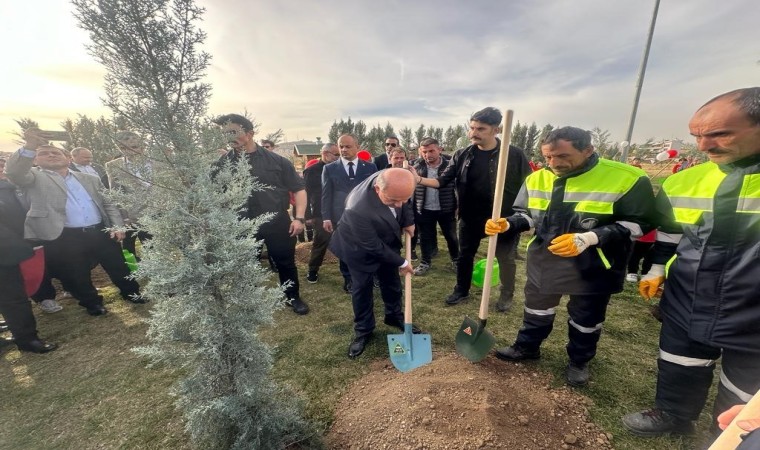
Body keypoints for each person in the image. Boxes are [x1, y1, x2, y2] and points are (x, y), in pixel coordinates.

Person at [622, 87, 760, 437]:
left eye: (719, 134)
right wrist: (655, 269)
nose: (703, 145)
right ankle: (673, 413)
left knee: (747, 385)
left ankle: (731, 436)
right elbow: (670, 233)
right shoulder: (684, 181)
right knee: (679, 359)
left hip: (752, 307)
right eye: (697, 135)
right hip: (689, 293)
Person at [489, 126, 656, 387]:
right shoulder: (537, 179)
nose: (554, 164)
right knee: (536, 308)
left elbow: (641, 223)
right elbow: (526, 215)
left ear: (587, 150)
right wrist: (508, 224)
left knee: (586, 317)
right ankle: (527, 347)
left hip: (594, 264)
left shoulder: (627, 178)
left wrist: (589, 238)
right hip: (546, 259)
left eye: (563, 156)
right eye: (548, 157)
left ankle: (579, 360)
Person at [6, 130, 145, 316]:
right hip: (65, 235)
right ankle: (92, 303)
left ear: (68, 159)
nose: (51, 155)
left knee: (118, 265)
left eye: (56, 152)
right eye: (44, 153)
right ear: (35, 161)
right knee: (76, 272)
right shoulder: (33, 178)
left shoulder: (90, 178)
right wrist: (30, 147)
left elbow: (108, 203)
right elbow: (14, 172)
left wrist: (117, 225)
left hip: (100, 230)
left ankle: (132, 293)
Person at [412, 107, 531, 312]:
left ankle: (506, 295)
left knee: (506, 258)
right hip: (470, 216)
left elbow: (528, 184)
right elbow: (442, 181)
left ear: (496, 129)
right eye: (472, 128)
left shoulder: (513, 154)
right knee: (465, 255)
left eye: (480, 129)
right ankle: (461, 289)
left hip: (503, 218)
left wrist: (524, 216)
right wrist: (418, 179)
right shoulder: (463, 154)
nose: (473, 133)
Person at [213, 114, 309, 315]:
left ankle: (292, 297)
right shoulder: (222, 164)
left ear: (249, 133)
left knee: (285, 262)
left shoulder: (277, 161)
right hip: (241, 224)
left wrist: (299, 218)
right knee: (244, 264)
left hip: (276, 221)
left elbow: (299, 189)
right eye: (225, 134)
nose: (229, 137)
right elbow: (212, 194)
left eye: (233, 132)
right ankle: (249, 302)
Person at [329, 168, 417, 358]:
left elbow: (404, 202)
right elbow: (372, 246)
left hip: (385, 240)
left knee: (391, 282)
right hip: (358, 248)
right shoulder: (357, 208)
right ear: (378, 189)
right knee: (362, 288)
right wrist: (402, 262)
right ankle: (364, 330)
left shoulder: (398, 179)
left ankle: (394, 316)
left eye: (403, 199)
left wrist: (408, 220)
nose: (399, 204)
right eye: (393, 201)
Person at [0, 158, 57, 353]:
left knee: (13, 299)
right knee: (13, 300)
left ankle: (25, 337)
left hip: (11, 252)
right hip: (6, 254)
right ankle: (26, 339)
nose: (3, 170)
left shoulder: (9, 189)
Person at [321, 134, 377, 293]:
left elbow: (374, 192)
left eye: (348, 146)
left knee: (366, 245)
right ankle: (348, 278)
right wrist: (326, 217)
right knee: (345, 247)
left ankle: (368, 275)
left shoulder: (370, 167)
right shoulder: (329, 168)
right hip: (341, 216)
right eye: (341, 147)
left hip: (365, 215)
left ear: (357, 147)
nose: (344, 149)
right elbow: (326, 195)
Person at [411, 138, 458, 276]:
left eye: (431, 150)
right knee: (425, 237)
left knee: (451, 236)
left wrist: (458, 205)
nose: (427, 154)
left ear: (439, 149)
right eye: (424, 151)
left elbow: (458, 187)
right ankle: (425, 262)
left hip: (446, 208)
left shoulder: (450, 166)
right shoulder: (416, 166)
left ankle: (456, 260)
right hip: (424, 209)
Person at [105, 131, 153, 261]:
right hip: (136, 217)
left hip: (164, 212)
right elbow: (117, 193)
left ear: (143, 146)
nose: (131, 151)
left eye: (135, 147)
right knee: (150, 249)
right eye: (124, 148)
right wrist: (124, 218)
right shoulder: (114, 166)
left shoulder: (159, 161)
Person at [303, 143, 340, 283]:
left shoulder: (339, 168)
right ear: (325, 153)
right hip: (320, 213)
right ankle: (313, 270)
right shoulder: (311, 171)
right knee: (320, 242)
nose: (338, 157)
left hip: (339, 211)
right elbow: (305, 194)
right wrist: (307, 216)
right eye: (336, 154)